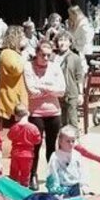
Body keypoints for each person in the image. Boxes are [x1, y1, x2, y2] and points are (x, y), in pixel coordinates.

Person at [24, 40, 66, 185]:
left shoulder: (55, 67)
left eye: (49, 55)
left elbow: (62, 90)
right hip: (36, 112)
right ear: (37, 53)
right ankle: (32, 175)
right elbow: (31, 91)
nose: (46, 58)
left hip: (54, 111)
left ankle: (52, 175)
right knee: (35, 145)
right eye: (43, 55)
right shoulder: (28, 66)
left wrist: (42, 87)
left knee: (51, 146)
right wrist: (51, 87)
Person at [0, 26, 29, 126]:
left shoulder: (16, 53)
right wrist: (24, 57)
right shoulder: (7, 53)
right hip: (11, 98)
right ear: (15, 38)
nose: (25, 38)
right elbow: (17, 69)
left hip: (19, 95)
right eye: (22, 36)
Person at [7, 103, 42, 188]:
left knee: (14, 174)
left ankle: (12, 189)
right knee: (25, 175)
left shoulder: (14, 127)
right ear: (28, 113)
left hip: (15, 154)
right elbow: (38, 140)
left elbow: (9, 136)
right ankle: (24, 189)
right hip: (27, 155)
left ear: (16, 116)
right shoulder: (33, 128)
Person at [55, 33, 86, 129]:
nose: (62, 43)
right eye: (60, 40)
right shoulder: (53, 57)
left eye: (65, 40)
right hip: (56, 92)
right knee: (60, 121)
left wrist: (80, 94)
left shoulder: (75, 58)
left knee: (72, 120)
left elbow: (79, 77)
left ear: (70, 43)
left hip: (71, 93)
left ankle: (75, 137)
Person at [47, 125, 88, 197]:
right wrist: (55, 190)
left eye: (73, 141)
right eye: (68, 141)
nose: (71, 144)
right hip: (62, 187)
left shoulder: (77, 155)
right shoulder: (55, 156)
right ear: (60, 141)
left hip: (75, 186)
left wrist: (84, 185)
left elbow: (82, 170)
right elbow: (53, 173)